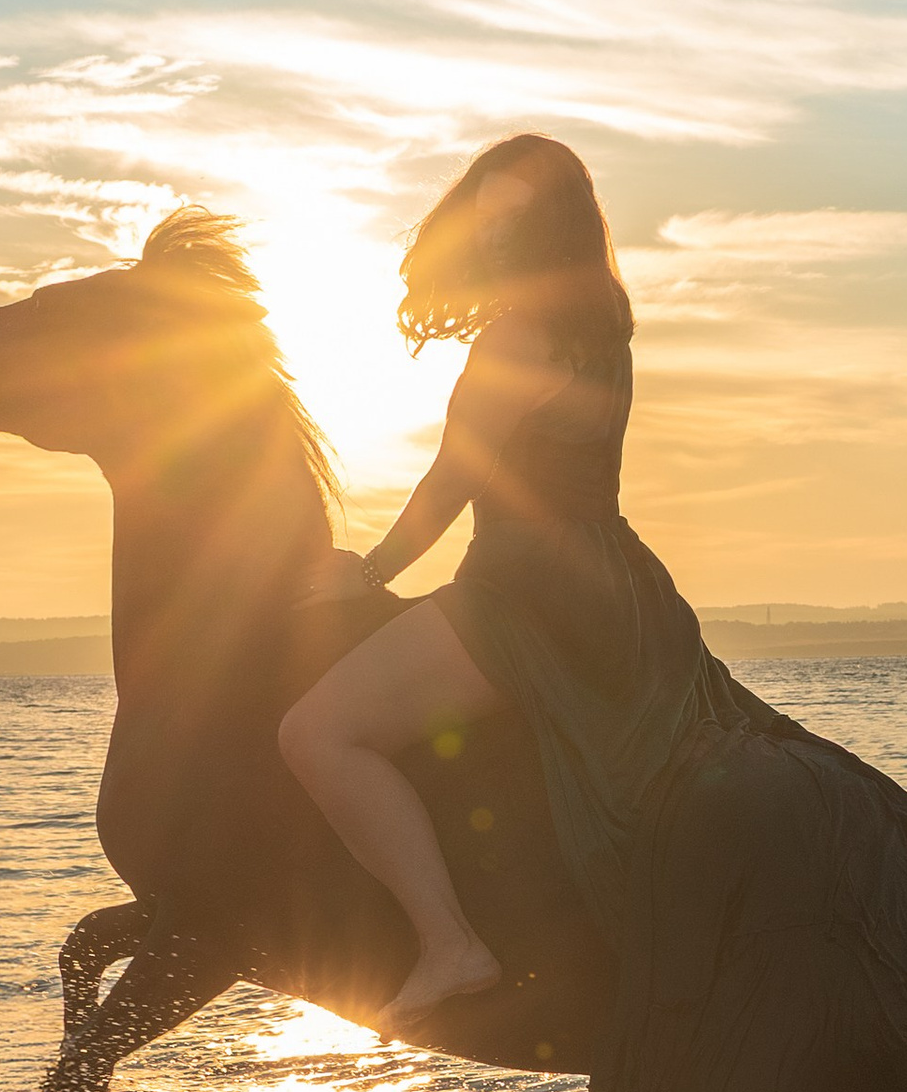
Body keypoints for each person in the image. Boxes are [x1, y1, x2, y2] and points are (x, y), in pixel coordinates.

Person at [278, 136, 735, 1031]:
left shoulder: (518, 333)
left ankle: (451, 943)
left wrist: (367, 572)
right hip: (617, 578)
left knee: (316, 731)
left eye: (509, 218)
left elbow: (454, 477)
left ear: (548, 222)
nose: (489, 235)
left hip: (528, 587)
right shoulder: (602, 316)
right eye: (481, 215)